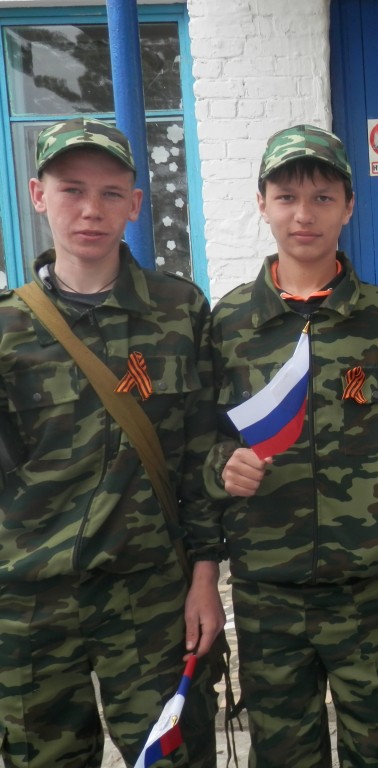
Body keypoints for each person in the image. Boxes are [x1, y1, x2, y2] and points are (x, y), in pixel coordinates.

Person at [0, 118, 225, 767]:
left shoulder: (180, 311)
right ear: (38, 196)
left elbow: (201, 454)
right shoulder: (7, 327)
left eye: (110, 193)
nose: (90, 210)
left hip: (152, 599)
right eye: (71, 190)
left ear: (135, 204)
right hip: (31, 604)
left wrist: (206, 576)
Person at [204, 124, 378, 768]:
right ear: (262, 204)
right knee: (283, 753)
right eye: (287, 197)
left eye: (323, 198)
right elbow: (199, 438)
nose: (304, 214)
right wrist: (223, 466)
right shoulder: (230, 323)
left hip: (365, 589)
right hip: (267, 591)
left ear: (349, 206)